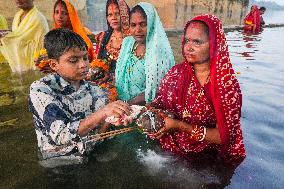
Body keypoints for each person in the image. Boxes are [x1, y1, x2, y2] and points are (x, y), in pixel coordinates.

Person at [149, 14, 246, 165]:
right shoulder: (176, 72)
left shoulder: (226, 85)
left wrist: (179, 125)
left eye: (197, 42)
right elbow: (159, 102)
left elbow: (223, 137)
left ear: (214, 44)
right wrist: (150, 113)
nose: (188, 47)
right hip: (170, 144)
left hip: (205, 154)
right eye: (187, 40)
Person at [29, 28, 131, 162]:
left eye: (85, 58)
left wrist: (115, 119)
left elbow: (102, 131)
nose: (83, 65)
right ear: (54, 64)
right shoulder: (41, 89)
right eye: (73, 60)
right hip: (59, 163)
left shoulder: (96, 90)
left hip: (93, 156)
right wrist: (103, 113)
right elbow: (62, 135)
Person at [115, 2, 175, 105]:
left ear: (152, 24)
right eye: (133, 25)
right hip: (122, 105)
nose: (138, 30)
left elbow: (159, 89)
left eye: (143, 24)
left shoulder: (159, 51)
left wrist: (129, 103)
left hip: (149, 109)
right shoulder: (127, 43)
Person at [0, 0, 49, 72]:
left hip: (35, 68)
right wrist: (7, 34)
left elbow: (34, 43)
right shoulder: (18, 15)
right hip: (20, 67)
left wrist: (5, 38)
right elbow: (18, 35)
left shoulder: (38, 19)